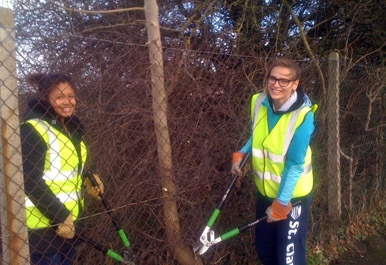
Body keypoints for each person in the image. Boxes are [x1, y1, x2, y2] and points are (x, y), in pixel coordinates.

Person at [231, 57, 318, 265]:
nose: (276, 84)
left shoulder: (302, 116)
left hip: (292, 197)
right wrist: (242, 153)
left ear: (294, 84)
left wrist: (281, 203)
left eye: (283, 80)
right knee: (265, 251)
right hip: (265, 191)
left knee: (289, 258)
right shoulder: (259, 101)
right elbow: (259, 136)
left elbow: (295, 164)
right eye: (273, 78)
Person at [21, 73, 105, 265]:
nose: (68, 102)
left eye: (71, 96)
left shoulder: (70, 128)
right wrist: (60, 216)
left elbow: (68, 166)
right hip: (42, 230)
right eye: (59, 97)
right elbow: (29, 180)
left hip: (68, 228)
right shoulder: (32, 129)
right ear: (45, 100)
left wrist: (87, 179)